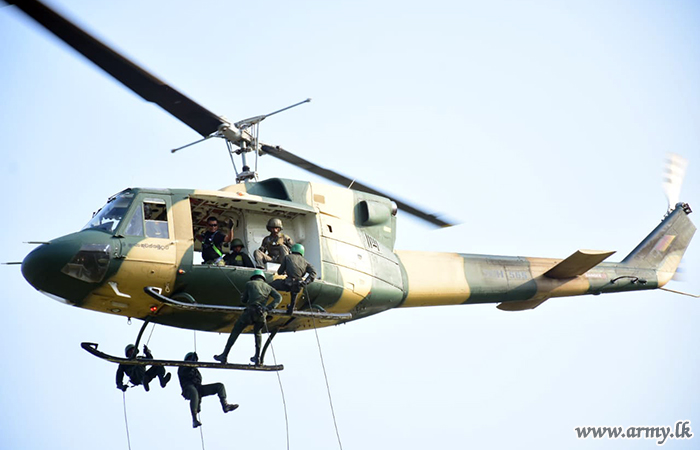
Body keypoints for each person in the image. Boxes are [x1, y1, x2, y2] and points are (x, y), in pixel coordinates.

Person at [214, 269, 282, 365]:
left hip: (250, 312)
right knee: (258, 333)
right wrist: (268, 308)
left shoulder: (249, 284)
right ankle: (257, 357)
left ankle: (224, 355)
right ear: (263, 278)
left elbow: (244, 300)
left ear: (253, 277)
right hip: (262, 314)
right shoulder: (268, 287)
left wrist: (243, 297)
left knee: (236, 331)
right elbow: (279, 297)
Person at [178, 352, 239, 428]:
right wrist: (191, 362)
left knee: (219, 386)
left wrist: (198, 404)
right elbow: (185, 372)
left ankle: (225, 405)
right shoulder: (182, 366)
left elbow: (198, 391)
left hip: (198, 389)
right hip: (188, 389)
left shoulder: (197, 373)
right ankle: (194, 419)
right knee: (194, 392)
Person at [271, 243, 317, 314]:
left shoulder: (287, 257)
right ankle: (291, 309)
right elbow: (313, 272)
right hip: (298, 284)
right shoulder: (305, 262)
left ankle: (264, 302)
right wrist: (306, 282)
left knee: (270, 286)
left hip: (288, 282)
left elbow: (280, 272)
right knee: (294, 295)